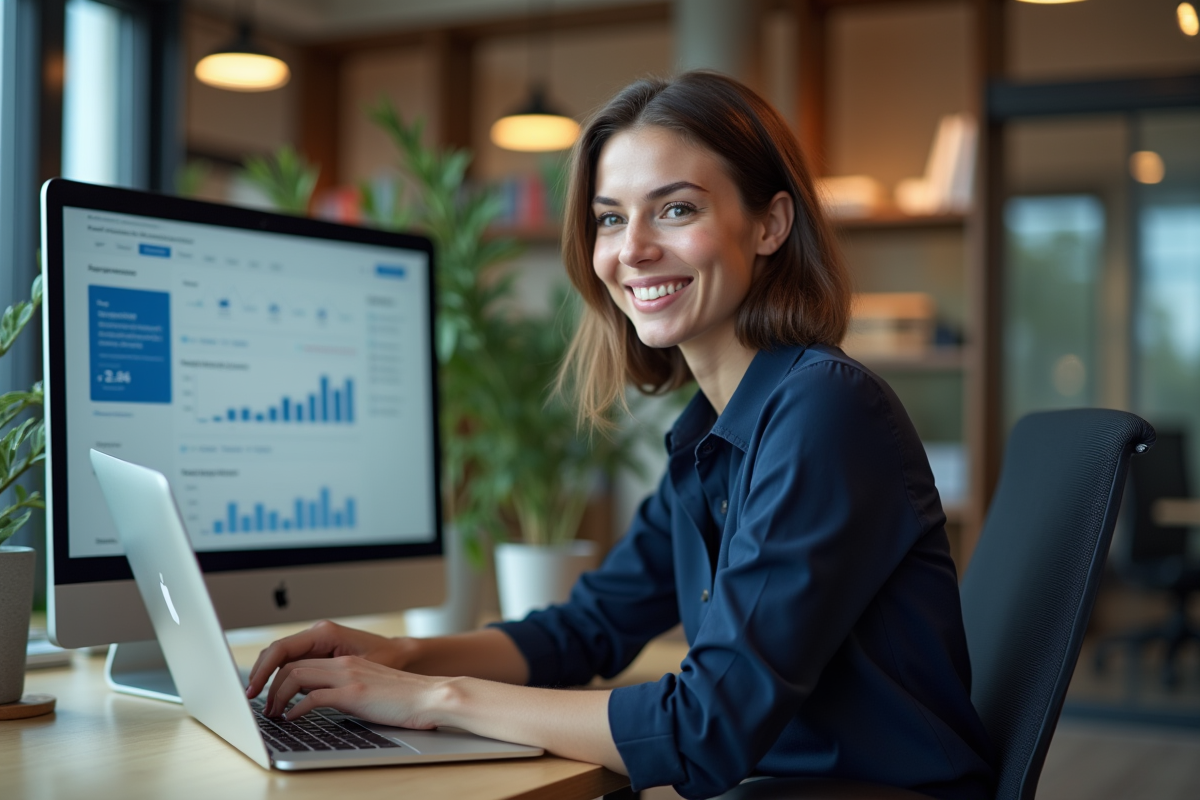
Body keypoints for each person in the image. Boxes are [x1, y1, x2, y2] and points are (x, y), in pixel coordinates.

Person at [245, 71, 996, 800]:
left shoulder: (825, 412)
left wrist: (431, 696)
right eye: (610, 217)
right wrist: (399, 656)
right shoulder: (711, 431)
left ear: (770, 224)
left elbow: (705, 728)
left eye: (674, 210)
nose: (631, 250)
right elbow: (590, 626)